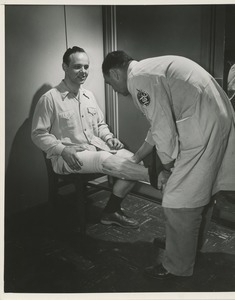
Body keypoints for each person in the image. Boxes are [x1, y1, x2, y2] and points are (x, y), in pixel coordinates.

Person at [102, 51, 235, 279]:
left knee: (177, 199)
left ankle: (177, 265)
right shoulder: (149, 70)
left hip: (202, 127)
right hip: (215, 120)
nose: (114, 89)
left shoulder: (139, 80)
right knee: (202, 192)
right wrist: (136, 157)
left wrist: (167, 167)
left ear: (115, 72)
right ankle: (184, 246)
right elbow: (157, 125)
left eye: (110, 83)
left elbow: (162, 127)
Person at [32, 46, 153, 229]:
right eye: (77, 66)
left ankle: (111, 211)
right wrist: (62, 150)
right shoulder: (49, 99)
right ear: (64, 67)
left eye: (86, 67)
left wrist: (109, 138)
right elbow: (38, 134)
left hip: (95, 148)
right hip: (69, 157)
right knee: (106, 159)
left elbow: (100, 126)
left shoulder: (88, 96)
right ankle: (157, 179)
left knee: (134, 161)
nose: (83, 72)